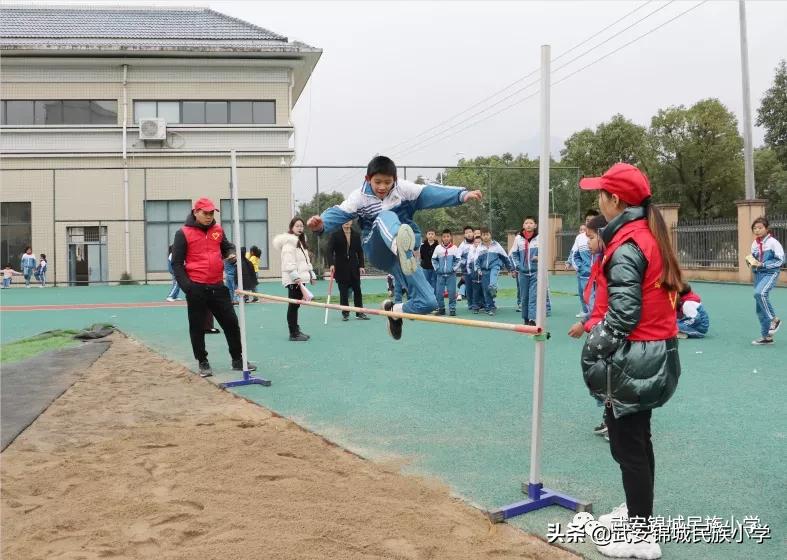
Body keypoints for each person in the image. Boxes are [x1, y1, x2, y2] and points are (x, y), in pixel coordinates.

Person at [578, 163, 683, 559]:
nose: (598, 201)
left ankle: (641, 537)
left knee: (629, 446)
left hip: (637, 357)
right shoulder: (643, 235)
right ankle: (639, 514)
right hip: (654, 353)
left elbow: (622, 316)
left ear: (615, 200)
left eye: (601, 195)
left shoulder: (627, 245)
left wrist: (594, 346)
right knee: (638, 440)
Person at [307, 155, 482, 340]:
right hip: (377, 249)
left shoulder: (404, 189)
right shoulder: (359, 197)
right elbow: (339, 212)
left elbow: (431, 192)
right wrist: (321, 225)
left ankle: (394, 311)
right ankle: (398, 241)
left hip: (403, 256)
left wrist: (462, 195)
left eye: (387, 182)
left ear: (395, 180)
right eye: (377, 182)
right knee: (385, 216)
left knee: (428, 302)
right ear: (368, 179)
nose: (382, 187)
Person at [171, 197, 257, 378]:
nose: (209, 216)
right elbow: (177, 264)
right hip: (196, 288)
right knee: (197, 327)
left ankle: (237, 359)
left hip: (218, 286)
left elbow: (228, 247)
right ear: (196, 212)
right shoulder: (183, 233)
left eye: (211, 213)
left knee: (232, 324)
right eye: (205, 213)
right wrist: (189, 287)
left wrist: (231, 254)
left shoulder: (218, 230)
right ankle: (202, 361)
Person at [567, 214, 609, 439]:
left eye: (591, 237)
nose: (587, 242)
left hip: (609, 328)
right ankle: (609, 417)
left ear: (603, 236)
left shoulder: (611, 261)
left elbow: (606, 305)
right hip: (599, 324)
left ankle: (617, 423)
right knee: (600, 373)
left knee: (608, 375)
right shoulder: (598, 259)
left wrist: (585, 324)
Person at [274, 217, 316, 342]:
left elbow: (306, 261)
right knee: (293, 306)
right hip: (294, 281)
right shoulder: (289, 243)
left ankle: (296, 330)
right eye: (297, 226)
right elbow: (288, 263)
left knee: (296, 306)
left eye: (302, 226)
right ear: (291, 227)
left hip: (300, 280)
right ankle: (293, 333)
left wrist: (311, 274)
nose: (300, 228)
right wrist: (296, 278)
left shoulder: (301, 243)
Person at [748, 217, 783, 345]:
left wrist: (764, 265)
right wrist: (751, 262)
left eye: (760, 228)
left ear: (766, 229)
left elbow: (780, 260)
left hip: (770, 273)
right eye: (755, 228)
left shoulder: (773, 243)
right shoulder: (754, 244)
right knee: (760, 307)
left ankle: (775, 320)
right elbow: (753, 259)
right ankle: (767, 337)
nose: (757, 230)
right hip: (758, 275)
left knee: (759, 294)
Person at [326, 220, 370, 321]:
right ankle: (345, 313)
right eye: (344, 220)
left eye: (348, 220)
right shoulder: (335, 235)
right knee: (343, 292)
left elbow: (359, 251)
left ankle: (359, 313)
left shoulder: (356, 235)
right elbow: (329, 250)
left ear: (351, 221)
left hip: (354, 268)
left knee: (357, 291)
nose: (346, 222)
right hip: (340, 268)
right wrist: (331, 264)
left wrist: (361, 266)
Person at [474, 227, 513, 316]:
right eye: (484, 235)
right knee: (486, 290)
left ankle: (493, 290)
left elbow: (505, 256)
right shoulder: (480, 247)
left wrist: (510, 269)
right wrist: (478, 269)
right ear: (481, 236)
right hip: (484, 270)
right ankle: (490, 307)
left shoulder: (496, 245)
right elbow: (476, 260)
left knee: (492, 284)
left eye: (487, 234)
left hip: (495, 267)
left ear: (490, 235)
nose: (486, 237)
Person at [510, 217, 540, 326]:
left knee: (533, 296)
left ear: (535, 225)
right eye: (526, 223)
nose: (528, 225)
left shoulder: (539, 238)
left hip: (535, 272)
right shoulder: (518, 238)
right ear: (523, 225)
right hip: (522, 273)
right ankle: (526, 318)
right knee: (524, 296)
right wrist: (518, 266)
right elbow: (513, 254)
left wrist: (538, 257)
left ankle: (532, 319)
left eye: (531, 223)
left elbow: (544, 253)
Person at [569, 209, 600, 318]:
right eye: (587, 220)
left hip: (598, 276)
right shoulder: (580, 238)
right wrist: (580, 268)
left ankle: (592, 318)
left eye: (592, 220)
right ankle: (587, 314)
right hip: (584, 274)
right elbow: (574, 255)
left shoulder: (602, 236)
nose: (589, 222)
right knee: (584, 295)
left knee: (596, 298)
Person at [431, 228, 462, 316]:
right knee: (439, 293)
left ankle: (452, 309)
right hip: (440, 275)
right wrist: (437, 269)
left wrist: (453, 269)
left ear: (451, 237)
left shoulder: (454, 248)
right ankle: (441, 309)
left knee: (452, 293)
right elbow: (433, 259)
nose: (446, 238)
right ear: (442, 238)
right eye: (444, 237)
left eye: (448, 236)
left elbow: (458, 260)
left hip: (451, 275)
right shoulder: (438, 248)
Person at [456, 225, 476, 308]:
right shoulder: (462, 245)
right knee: (469, 287)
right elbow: (458, 257)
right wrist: (465, 264)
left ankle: (479, 303)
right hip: (466, 271)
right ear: (464, 235)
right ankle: (470, 304)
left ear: (473, 233)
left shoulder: (478, 242)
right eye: (466, 233)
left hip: (477, 270)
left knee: (477, 287)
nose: (469, 234)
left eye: (470, 232)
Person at [419, 228, 439, 298]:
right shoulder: (422, 245)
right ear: (426, 235)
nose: (431, 235)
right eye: (429, 234)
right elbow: (421, 256)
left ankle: (435, 298)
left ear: (435, 235)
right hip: (425, 268)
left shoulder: (438, 246)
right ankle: (427, 298)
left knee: (435, 283)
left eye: (432, 234)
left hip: (435, 268)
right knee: (426, 283)